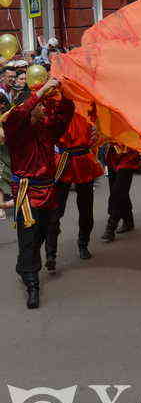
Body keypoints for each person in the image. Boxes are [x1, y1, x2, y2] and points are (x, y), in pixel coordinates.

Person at [2, 77, 74, 309]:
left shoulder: (46, 128)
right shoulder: (15, 130)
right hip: (27, 191)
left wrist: (65, 93)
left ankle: (25, 264)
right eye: (40, 105)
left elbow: (64, 116)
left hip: (48, 188)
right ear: (31, 108)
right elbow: (17, 114)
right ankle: (32, 284)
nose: (44, 108)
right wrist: (40, 91)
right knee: (30, 236)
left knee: (48, 229)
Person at [44, 113, 104, 267]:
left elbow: (96, 136)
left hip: (83, 161)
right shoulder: (56, 107)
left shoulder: (87, 107)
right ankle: (50, 254)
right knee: (55, 211)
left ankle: (83, 243)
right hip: (63, 161)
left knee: (86, 208)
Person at [100, 143, 141, 242]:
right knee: (119, 191)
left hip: (128, 156)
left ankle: (110, 227)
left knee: (117, 193)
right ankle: (128, 221)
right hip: (111, 155)